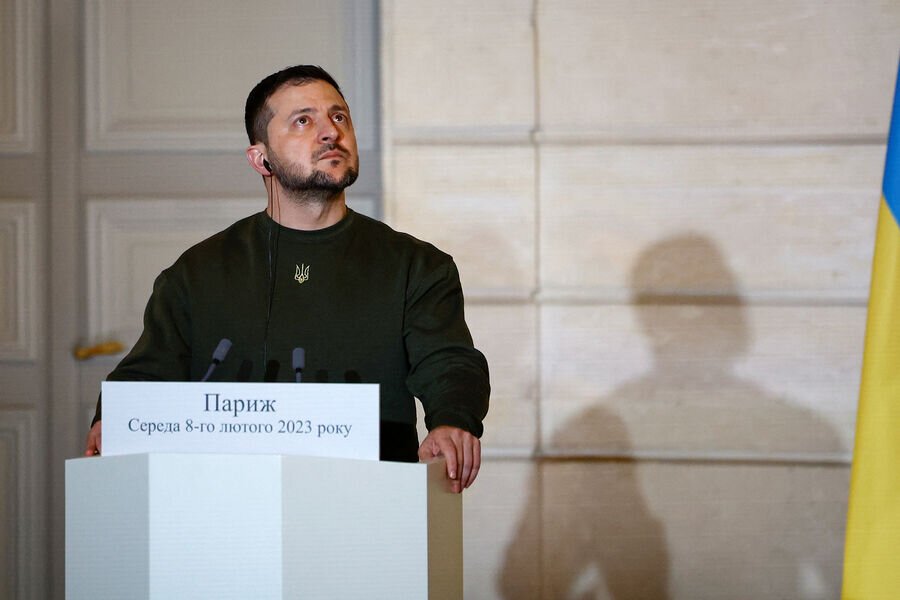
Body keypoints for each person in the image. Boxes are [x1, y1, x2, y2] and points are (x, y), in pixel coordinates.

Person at [84, 65, 489, 492]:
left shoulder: (418, 265)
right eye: (303, 121)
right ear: (260, 159)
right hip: (225, 498)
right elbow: (148, 372)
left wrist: (452, 419)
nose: (330, 132)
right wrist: (113, 420)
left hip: (372, 498)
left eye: (339, 116)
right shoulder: (198, 271)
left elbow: (448, 361)